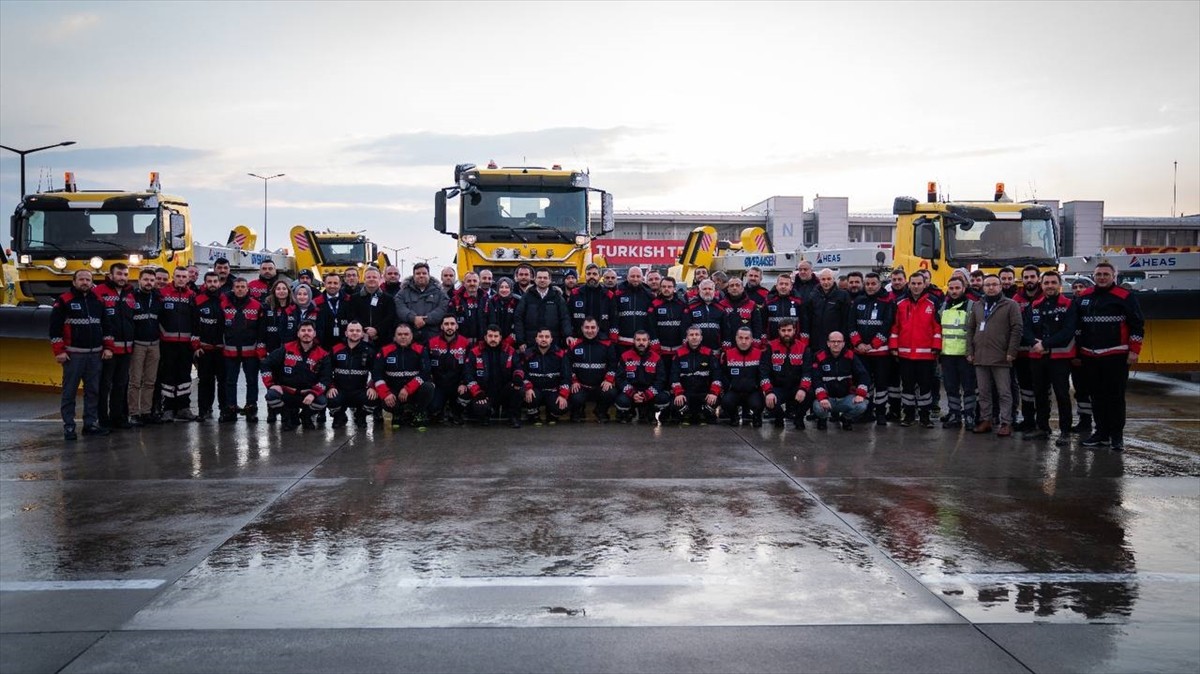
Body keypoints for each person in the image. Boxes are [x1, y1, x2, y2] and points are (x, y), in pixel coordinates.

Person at [1077, 262, 1144, 452]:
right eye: (1098, 274)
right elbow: (1077, 325)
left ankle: (1116, 436)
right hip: (1090, 355)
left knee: (1115, 397)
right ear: (1093, 276)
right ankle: (1101, 434)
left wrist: (1134, 350)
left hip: (1116, 355)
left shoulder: (1125, 296)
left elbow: (1137, 325)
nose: (1102, 277)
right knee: (1096, 397)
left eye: (1106, 274)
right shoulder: (1084, 297)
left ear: (1114, 276)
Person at [50, 269, 110, 440]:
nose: (85, 282)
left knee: (93, 391)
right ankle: (69, 426)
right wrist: (59, 351)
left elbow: (106, 326)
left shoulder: (98, 301)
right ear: (74, 281)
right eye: (81, 279)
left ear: (92, 282)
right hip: (73, 355)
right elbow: (55, 330)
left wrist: (108, 347)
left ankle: (90, 424)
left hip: (95, 355)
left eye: (88, 279)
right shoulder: (64, 301)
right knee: (69, 392)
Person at [1023, 270, 1077, 444]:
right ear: (1042, 284)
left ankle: (1065, 431)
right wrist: (1034, 343)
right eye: (1046, 283)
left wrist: (1045, 345)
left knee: (1062, 394)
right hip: (1037, 357)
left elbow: (1068, 331)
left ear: (1059, 284)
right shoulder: (1035, 305)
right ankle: (1042, 428)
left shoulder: (1068, 304)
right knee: (1040, 393)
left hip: (1060, 358)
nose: (1050, 286)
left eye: (1053, 282)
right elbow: (1026, 329)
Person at [966, 274, 1023, 437]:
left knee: (1004, 392)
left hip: (1002, 357)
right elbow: (970, 329)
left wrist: (1012, 351)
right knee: (983, 391)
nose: (991, 287)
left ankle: (1006, 422)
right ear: (983, 287)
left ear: (1000, 286)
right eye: (987, 285)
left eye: (994, 284)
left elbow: (1017, 329)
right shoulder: (978, 305)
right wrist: (969, 351)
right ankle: (986, 419)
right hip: (980, 356)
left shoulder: (1010, 305)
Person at [889, 272, 941, 428]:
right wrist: (893, 346)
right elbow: (894, 327)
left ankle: (925, 417)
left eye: (919, 283)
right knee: (907, 387)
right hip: (905, 354)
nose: (916, 286)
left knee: (925, 387)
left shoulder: (933, 302)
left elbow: (937, 327)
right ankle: (909, 416)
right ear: (908, 284)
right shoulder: (899, 303)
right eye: (914, 283)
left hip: (926, 355)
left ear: (925, 284)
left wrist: (936, 347)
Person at [262, 320, 332, 431]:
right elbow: (266, 364)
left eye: (309, 330)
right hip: (286, 391)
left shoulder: (323, 354)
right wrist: (270, 385)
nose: (306, 333)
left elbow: (326, 378)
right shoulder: (286, 348)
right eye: (303, 330)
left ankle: (305, 416)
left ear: (314, 333)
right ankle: (287, 416)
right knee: (271, 396)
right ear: (298, 333)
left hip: (308, 394)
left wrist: (313, 394)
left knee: (322, 402)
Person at [850, 272, 896, 425]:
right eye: (867, 284)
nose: (870, 287)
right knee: (864, 383)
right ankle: (866, 412)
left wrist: (873, 345)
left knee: (881, 384)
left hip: (881, 352)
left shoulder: (887, 301)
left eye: (873, 284)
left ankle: (881, 413)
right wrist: (858, 344)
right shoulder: (858, 300)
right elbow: (851, 324)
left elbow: (887, 326)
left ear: (879, 284)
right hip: (861, 352)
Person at [94, 262, 134, 430]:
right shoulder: (99, 292)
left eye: (125, 274)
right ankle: (103, 420)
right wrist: (105, 346)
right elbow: (97, 322)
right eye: (119, 274)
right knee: (104, 385)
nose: (122, 277)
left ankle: (118, 417)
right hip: (108, 350)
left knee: (121, 384)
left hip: (126, 349)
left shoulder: (130, 293)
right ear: (111, 275)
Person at [220, 277, 265, 423]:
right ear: (233, 289)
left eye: (242, 286)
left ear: (248, 289)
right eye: (237, 286)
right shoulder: (224, 304)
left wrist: (260, 347)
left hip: (251, 352)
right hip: (230, 351)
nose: (240, 289)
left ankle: (251, 408)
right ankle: (230, 408)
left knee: (252, 382)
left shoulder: (257, 306)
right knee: (230, 382)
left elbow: (261, 330)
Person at [373, 323, 434, 430]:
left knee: (428, 387)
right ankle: (397, 413)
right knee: (383, 399)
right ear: (395, 336)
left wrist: (408, 388)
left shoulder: (420, 350)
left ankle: (418, 412)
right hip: (393, 391)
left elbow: (425, 372)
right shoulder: (385, 351)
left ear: (411, 336)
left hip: (413, 390)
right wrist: (385, 393)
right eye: (399, 334)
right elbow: (377, 374)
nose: (403, 337)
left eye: (406, 334)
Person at [158, 267, 198, 421]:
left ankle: (183, 407)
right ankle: (167, 409)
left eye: (184, 276)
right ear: (173, 277)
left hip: (186, 344)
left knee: (184, 376)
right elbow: (158, 317)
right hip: (167, 343)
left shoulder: (192, 296)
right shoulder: (163, 294)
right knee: (167, 376)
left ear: (188, 278)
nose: (181, 279)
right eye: (178, 276)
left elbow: (195, 320)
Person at [810, 331, 871, 430]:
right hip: (827, 398)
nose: (836, 344)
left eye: (839, 341)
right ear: (828, 343)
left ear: (843, 343)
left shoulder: (850, 356)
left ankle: (846, 418)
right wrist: (822, 397)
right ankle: (823, 418)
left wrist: (860, 393)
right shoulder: (819, 356)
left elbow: (863, 375)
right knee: (817, 407)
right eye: (833, 341)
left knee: (862, 405)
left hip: (846, 398)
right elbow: (816, 379)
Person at [938, 276, 977, 430]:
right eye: (951, 288)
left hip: (965, 356)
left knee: (969, 388)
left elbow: (974, 332)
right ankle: (954, 414)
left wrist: (971, 352)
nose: (954, 291)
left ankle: (969, 415)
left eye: (957, 288)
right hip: (947, 355)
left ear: (963, 288)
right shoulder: (944, 306)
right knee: (951, 387)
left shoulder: (972, 306)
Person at [463, 324, 520, 426]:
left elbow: (518, 367)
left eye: (496, 336)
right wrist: (477, 393)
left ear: (500, 338)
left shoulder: (510, 350)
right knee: (480, 408)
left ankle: (512, 416)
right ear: (485, 337)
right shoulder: (474, 352)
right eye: (490, 336)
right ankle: (486, 414)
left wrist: (518, 377)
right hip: (484, 392)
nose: (493, 339)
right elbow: (468, 375)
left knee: (519, 387)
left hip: (504, 390)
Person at [715, 326, 772, 427]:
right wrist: (727, 389)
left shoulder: (759, 354)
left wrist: (765, 391)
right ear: (736, 338)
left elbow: (763, 375)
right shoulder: (728, 354)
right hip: (735, 391)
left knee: (758, 404)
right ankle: (734, 417)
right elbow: (724, 375)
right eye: (740, 338)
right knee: (726, 401)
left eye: (746, 338)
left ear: (751, 340)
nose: (743, 341)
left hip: (752, 392)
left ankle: (756, 416)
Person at [326, 320, 378, 429]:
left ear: (362, 334)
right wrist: (331, 387)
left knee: (373, 398)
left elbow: (376, 372)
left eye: (358, 330)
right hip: (340, 389)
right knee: (331, 398)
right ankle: (339, 416)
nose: (354, 333)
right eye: (351, 330)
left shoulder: (369, 350)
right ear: (346, 333)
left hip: (360, 390)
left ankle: (361, 416)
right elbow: (326, 371)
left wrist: (372, 386)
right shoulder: (336, 349)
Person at [126, 269, 161, 426]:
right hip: (138, 344)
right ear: (139, 280)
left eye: (152, 280)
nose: (149, 283)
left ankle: (146, 412)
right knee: (135, 381)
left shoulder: (158, 297)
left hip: (154, 344)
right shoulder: (131, 297)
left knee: (150, 381)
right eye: (146, 279)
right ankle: (133, 413)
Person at [567, 317, 617, 423]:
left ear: (598, 328)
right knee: (575, 395)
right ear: (582, 328)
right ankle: (577, 411)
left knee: (611, 392)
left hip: (599, 386)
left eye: (593, 327)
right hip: (581, 386)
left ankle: (601, 411)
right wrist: (574, 381)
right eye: (587, 327)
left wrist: (609, 379)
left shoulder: (607, 344)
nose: (590, 331)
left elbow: (613, 365)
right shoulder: (574, 344)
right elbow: (567, 366)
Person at [517, 327, 571, 425]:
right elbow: (522, 373)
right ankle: (534, 415)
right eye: (541, 336)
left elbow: (566, 376)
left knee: (562, 406)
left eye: (547, 337)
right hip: (534, 390)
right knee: (524, 393)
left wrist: (563, 394)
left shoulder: (560, 354)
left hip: (552, 390)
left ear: (551, 339)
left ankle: (552, 415)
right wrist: (527, 388)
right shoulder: (527, 354)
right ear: (536, 339)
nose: (544, 339)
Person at [1012, 264, 1044, 430]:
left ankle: (1042, 423)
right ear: (1022, 279)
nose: (1029, 280)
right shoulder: (1016, 300)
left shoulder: (1046, 296)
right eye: (1026, 277)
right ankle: (1028, 420)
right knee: (1025, 389)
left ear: (1038, 278)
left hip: (1043, 353)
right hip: (1022, 353)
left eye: (1032, 277)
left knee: (1042, 388)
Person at [192, 271, 227, 421]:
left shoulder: (226, 300)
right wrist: (196, 346)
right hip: (204, 349)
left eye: (215, 281)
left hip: (222, 350)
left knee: (223, 382)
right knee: (205, 381)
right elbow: (193, 324)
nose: (212, 284)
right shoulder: (197, 300)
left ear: (219, 283)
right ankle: (203, 410)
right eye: (209, 281)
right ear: (205, 283)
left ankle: (224, 410)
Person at [669, 326, 720, 425]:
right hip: (685, 393)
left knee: (717, 399)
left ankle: (704, 414)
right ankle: (686, 414)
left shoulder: (709, 353)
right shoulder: (679, 353)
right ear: (687, 337)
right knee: (675, 404)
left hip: (704, 393)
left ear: (701, 337)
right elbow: (674, 375)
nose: (694, 337)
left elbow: (717, 374)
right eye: (691, 335)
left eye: (697, 335)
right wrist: (678, 393)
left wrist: (713, 392)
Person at [764, 318, 809, 429]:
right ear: (778, 331)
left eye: (789, 330)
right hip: (777, 388)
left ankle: (799, 418)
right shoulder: (770, 346)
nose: (786, 333)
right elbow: (764, 372)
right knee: (768, 399)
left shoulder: (803, 348)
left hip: (796, 387)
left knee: (810, 393)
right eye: (783, 330)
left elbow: (807, 372)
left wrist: (803, 389)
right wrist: (768, 391)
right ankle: (779, 417)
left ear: (794, 330)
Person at [427, 315, 472, 425]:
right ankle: (439, 411)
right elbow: (426, 365)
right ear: (441, 326)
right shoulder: (431, 342)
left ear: (457, 326)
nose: (449, 327)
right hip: (438, 385)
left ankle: (456, 412)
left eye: (452, 324)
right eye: (446, 324)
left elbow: (469, 367)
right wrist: (430, 381)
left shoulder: (465, 343)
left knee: (468, 391)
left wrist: (464, 383)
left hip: (457, 385)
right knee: (433, 408)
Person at [513, 268, 572, 349]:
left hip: (553, 343)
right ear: (535, 279)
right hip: (530, 343)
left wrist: (568, 335)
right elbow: (518, 318)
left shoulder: (557, 297)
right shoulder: (527, 297)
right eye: (539, 277)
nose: (542, 280)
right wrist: (520, 341)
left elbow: (565, 317)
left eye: (545, 278)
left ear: (550, 280)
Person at [395, 262, 447, 344]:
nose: (421, 275)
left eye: (424, 273)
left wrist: (426, 319)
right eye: (418, 273)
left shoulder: (440, 292)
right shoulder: (403, 292)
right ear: (413, 275)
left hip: (433, 336)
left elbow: (442, 309)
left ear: (429, 275)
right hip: (409, 337)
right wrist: (414, 318)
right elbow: (400, 308)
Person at [1068, 279, 1093, 435]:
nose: (1078, 290)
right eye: (1075, 287)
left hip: (1092, 356)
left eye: (1081, 287)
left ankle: (1102, 424)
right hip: (1075, 357)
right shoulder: (1071, 307)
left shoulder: (1093, 307)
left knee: (1095, 391)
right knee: (1080, 390)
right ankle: (1085, 421)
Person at [806, 269, 852, 353]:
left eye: (829, 279)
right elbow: (809, 318)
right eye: (823, 279)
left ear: (834, 279)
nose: (826, 282)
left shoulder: (843, 295)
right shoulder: (813, 295)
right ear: (819, 280)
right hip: (816, 341)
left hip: (836, 341)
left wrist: (843, 338)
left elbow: (847, 319)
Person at [610, 266, 654, 350]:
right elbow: (613, 315)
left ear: (642, 278)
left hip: (642, 342)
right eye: (632, 276)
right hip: (622, 341)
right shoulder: (618, 294)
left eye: (638, 276)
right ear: (627, 277)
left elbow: (651, 320)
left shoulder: (649, 295)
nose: (635, 279)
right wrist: (614, 333)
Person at [353, 267, 399, 346]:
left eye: (374, 277)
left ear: (380, 279)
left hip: (383, 339)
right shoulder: (355, 298)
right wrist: (365, 330)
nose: (371, 279)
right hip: (360, 338)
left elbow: (390, 317)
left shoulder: (388, 298)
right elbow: (353, 316)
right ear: (364, 279)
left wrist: (377, 330)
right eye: (368, 277)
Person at [648, 276, 688, 362]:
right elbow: (651, 325)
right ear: (660, 288)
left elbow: (686, 324)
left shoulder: (682, 304)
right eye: (664, 286)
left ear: (674, 288)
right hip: (661, 349)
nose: (666, 289)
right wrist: (654, 342)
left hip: (679, 348)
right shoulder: (654, 304)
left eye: (669, 287)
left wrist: (685, 340)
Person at [568, 263, 614, 336]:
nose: (591, 276)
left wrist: (612, 336)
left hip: (602, 337)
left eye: (594, 274)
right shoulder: (575, 293)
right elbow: (568, 316)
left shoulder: (608, 295)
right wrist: (569, 334)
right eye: (589, 274)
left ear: (600, 276)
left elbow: (614, 318)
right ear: (585, 275)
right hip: (579, 336)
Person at [762, 273, 806, 343]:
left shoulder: (798, 302)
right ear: (776, 286)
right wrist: (763, 340)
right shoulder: (768, 301)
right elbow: (762, 322)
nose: (783, 286)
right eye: (781, 284)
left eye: (786, 284)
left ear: (791, 287)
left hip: (794, 342)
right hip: (772, 342)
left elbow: (804, 323)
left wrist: (803, 341)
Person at [721, 277, 764, 348]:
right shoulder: (721, 305)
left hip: (747, 346)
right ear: (728, 289)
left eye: (737, 285)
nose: (734, 288)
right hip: (727, 346)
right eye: (731, 285)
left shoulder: (752, 305)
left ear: (742, 288)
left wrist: (756, 343)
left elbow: (757, 326)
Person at [684, 279, 726, 350]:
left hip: (715, 350)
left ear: (714, 291)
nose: (707, 291)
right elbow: (685, 327)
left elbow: (726, 330)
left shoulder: (721, 308)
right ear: (699, 291)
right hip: (696, 350)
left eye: (710, 289)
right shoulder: (691, 307)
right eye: (704, 289)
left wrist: (725, 347)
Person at [314, 272, 352, 351]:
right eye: (329, 283)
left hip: (345, 345)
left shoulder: (349, 300)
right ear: (324, 284)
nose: (332, 286)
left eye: (335, 283)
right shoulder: (316, 303)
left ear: (340, 284)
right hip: (323, 346)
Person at [451, 271, 489, 342]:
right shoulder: (455, 300)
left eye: (475, 281)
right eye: (469, 281)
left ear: (479, 283)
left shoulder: (486, 300)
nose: (472, 283)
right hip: (461, 342)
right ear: (464, 284)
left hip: (482, 341)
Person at [486, 278, 521, 348]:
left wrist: (514, 334)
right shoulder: (492, 301)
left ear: (511, 288)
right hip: (495, 338)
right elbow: (490, 320)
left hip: (513, 338)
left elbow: (520, 320)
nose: (504, 290)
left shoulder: (518, 300)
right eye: (501, 287)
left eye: (507, 287)